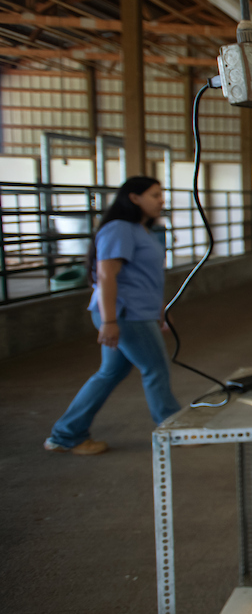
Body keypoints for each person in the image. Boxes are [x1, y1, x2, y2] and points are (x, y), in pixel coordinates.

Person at [45, 176, 181, 456]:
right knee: (155, 369)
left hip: (136, 313)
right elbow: (107, 275)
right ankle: (175, 430)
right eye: (154, 195)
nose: (161, 200)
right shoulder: (119, 229)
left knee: (110, 373)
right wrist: (109, 321)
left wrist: (158, 311)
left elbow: (145, 277)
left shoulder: (140, 229)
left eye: (161, 195)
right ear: (134, 197)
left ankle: (66, 434)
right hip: (125, 315)